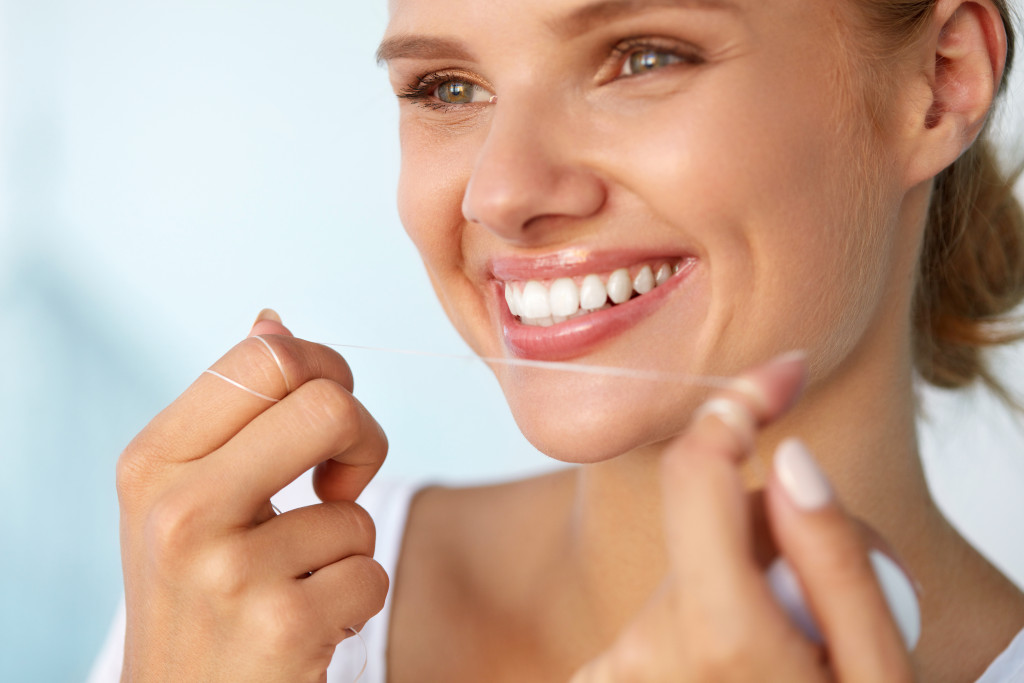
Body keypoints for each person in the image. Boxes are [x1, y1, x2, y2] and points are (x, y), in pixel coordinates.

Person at [91, 0, 1024, 680]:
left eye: (644, 56)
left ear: (941, 82)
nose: (501, 192)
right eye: (446, 87)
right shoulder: (242, 607)